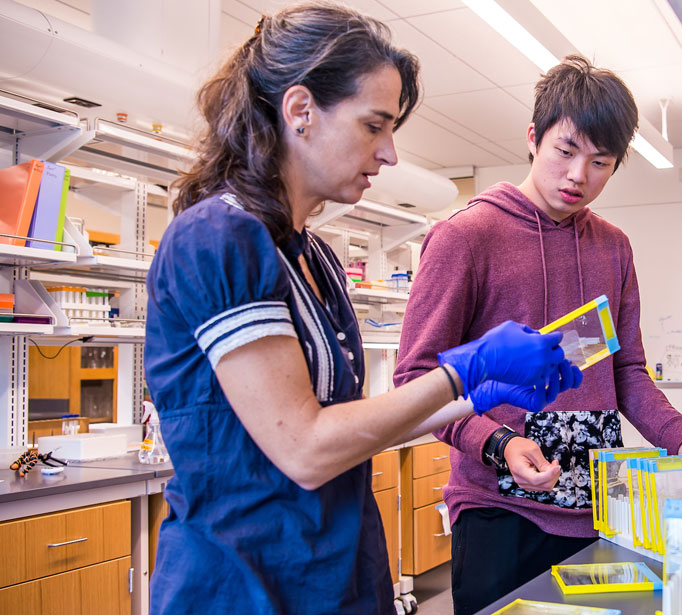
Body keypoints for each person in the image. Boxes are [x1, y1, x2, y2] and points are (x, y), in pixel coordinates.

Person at [142, 4, 580, 613]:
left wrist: (478, 395)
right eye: (374, 126)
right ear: (300, 111)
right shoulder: (218, 238)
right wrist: (463, 369)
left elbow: (349, 425)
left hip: (334, 569)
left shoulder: (312, 255)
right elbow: (305, 447)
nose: (390, 153)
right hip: (246, 581)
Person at [394, 54, 682, 614]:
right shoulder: (466, 236)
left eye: (600, 161)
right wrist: (498, 443)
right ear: (533, 138)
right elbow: (414, 379)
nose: (580, 175)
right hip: (498, 510)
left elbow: (625, 373)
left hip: (594, 511)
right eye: (565, 151)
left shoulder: (613, 247)